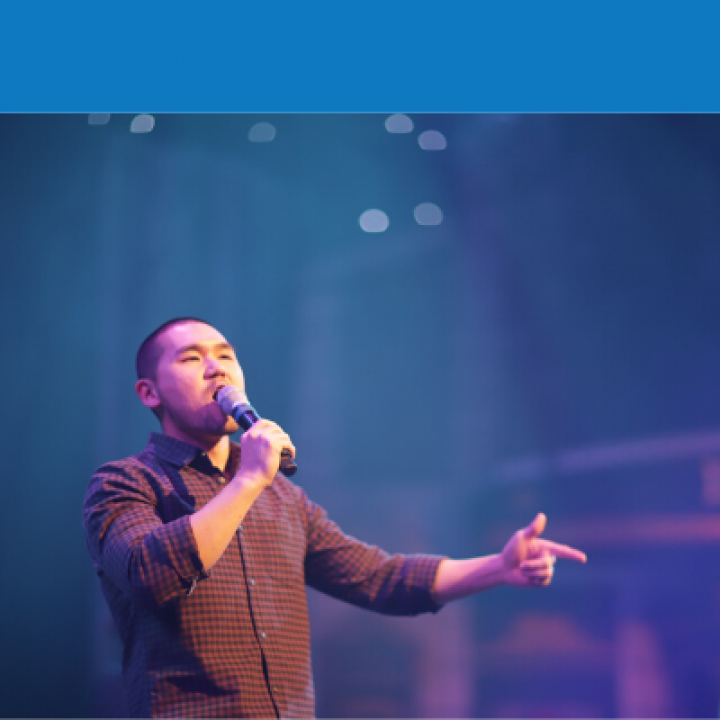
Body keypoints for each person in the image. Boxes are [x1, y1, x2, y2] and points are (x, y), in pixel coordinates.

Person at [83, 317, 587, 719]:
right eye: (192, 358)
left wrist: (499, 568)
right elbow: (149, 574)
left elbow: (378, 577)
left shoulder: (280, 496)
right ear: (149, 393)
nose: (217, 369)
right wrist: (248, 481)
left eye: (226, 356)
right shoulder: (125, 483)